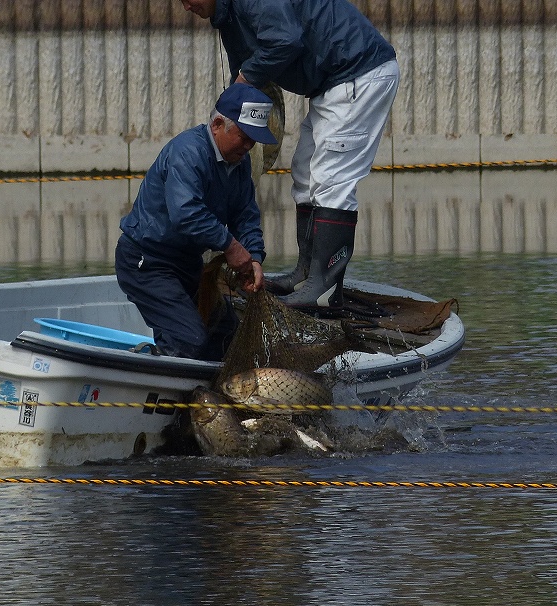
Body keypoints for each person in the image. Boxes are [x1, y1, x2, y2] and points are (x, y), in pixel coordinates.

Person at [180, 0, 399, 308]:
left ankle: (324, 291)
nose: (186, 5)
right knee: (305, 173)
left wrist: (246, 76)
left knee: (331, 179)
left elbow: (284, 40)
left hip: (359, 71)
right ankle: (306, 274)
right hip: (331, 84)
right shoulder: (228, 18)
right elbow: (242, 85)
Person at [115, 82, 277, 361]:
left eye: (255, 140)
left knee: (227, 338)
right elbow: (186, 213)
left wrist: (254, 259)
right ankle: (152, 371)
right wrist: (230, 246)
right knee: (190, 341)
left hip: (187, 265)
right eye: (244, 136)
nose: (249, 146)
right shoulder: (187, 153)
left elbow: (245, 214)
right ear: (217, 124)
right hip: (147, 262)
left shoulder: (240, 161)